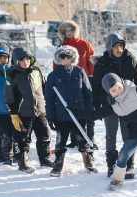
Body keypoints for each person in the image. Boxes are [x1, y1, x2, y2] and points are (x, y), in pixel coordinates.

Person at [91, 33, 137, 179]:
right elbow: (95, 85)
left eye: (121, 46)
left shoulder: (130, 59)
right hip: (110, 104)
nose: (119, 49)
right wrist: (96, 103)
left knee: (128, 134)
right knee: (111, 135)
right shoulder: (102, 64)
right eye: (116, 47)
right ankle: (111, 164)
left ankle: (128, 165)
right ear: (109, 48)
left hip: (127, 104)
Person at [45, 45, 97, 177]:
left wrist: (89, 112)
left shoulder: (79, 72)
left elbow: (88, 93)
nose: (65, 59)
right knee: (60, 142)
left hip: (79, 113)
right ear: (58, 58)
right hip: (61, 115)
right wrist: (50, 117)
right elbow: (49, 98)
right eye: (62, 56)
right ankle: (57, 166)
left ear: (73, 58)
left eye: (68, 56)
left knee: (82, 140)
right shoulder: (53, 75)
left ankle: (88, 163)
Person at [4, 47, 53, 173]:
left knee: (44, 136)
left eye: (27, 59)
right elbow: (9, 96)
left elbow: (44, 87)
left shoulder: (36, 71)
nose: (25, 62)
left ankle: (45, 159)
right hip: (23, 113)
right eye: (22, 60)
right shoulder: (12, 74)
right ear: (16, 61)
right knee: (23, 138)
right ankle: (23, 162)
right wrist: (14, 114)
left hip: (40, 110)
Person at [57, 20, 98, 150]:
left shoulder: (84, 44)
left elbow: (91, 61)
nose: (69, 33)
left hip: (84, 80)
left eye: (71, 30)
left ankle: (90, 139)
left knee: (88, 109)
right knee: (70, 110)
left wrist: (91, 76)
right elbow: (56, 64)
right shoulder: (62, 46)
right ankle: (74, 140)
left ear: (75, 31)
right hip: (67, 83)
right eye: (66, 31)